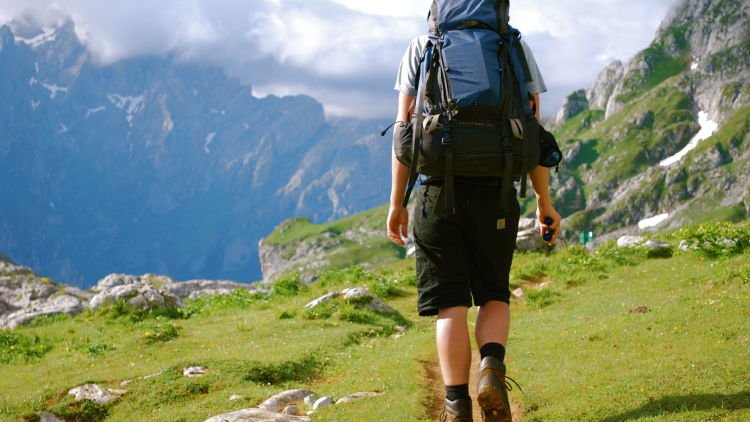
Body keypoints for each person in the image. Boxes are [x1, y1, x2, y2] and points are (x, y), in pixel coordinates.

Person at [387, 10, 561, 422]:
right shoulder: (513, 47)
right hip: (497, 193)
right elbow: (531, 130)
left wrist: (397, 203)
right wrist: (543, 201)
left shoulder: (423, 47)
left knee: (450, 307)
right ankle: (491, 369)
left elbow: (403, 132)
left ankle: (455, 405)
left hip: (436, 194)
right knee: (493, 294)